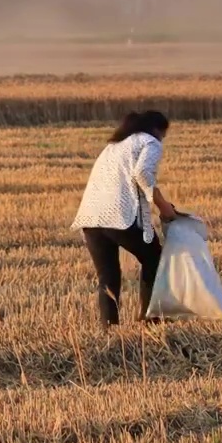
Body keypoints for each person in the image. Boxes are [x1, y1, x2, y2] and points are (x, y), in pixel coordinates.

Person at [72, 111, 178, 327]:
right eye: (164, 134)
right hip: (118, 217)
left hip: (90, 218)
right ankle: (152, 320)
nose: (162, 139)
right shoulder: (150, 142)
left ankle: (108, 329)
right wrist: (163, 206)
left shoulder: (114, 145)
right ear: (157, 129)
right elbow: (143, 174)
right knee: (154, 259)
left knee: (107, 276)